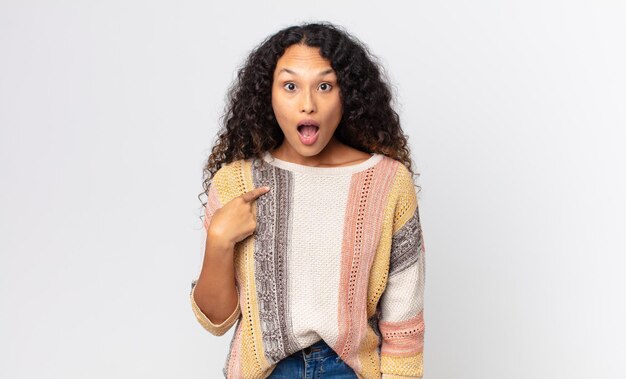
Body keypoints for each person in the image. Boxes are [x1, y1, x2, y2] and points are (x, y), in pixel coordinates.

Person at [190, 22, 425, 379]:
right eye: (290, 86)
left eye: (325, 86)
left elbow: (403, 320)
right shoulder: (236, 182)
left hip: (350, 371)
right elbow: (218, 321)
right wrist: (218, 240)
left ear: (347, 95)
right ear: (267, 95)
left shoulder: (388, 182)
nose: (307, 104)